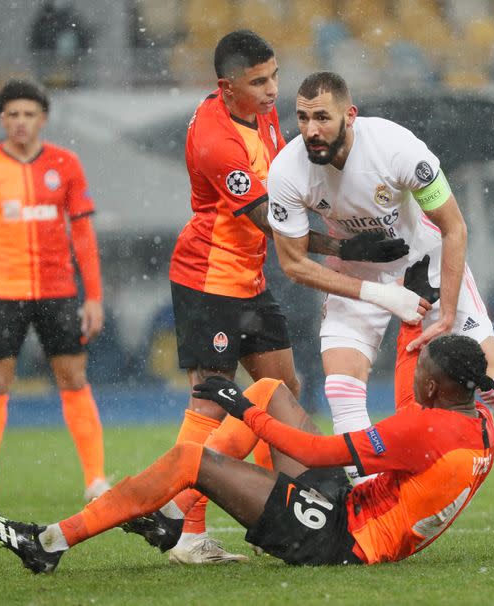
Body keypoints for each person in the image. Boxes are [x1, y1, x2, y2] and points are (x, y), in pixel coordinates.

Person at [265, 71, 494, 554]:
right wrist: (376, 290)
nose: (310, 129)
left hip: (422, 262)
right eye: (303, 117)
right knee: (342, 387)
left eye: (322, 116)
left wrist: (447, 312)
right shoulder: (286, 170)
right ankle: (362, 506)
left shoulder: (397, 149)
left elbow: (453, 227)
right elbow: (293, 262)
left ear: (350, 116)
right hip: (354, 271)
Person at [0, 310, 494, 572]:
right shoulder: (473, 419)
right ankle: (178, 523)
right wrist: (412, 320)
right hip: (353, 507)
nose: (414, 383)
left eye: (422, 376)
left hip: (341, 540)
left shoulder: (427, 428)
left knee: (194, 455)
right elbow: (414, 395)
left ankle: (50, 544)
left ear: (436, 388)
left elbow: (316, 453)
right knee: (274, 388)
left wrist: (241, 408)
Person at [162, 30, 419, 563]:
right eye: (260, 82)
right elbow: (277, 224)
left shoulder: (264, 112)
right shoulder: (216, 141)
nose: (273, 89)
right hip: (207, 279)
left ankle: (279, 515)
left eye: (275, 75)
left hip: (250, 279)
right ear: (226, 87)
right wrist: (350, 241)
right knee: (209, 401)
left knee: (283, 388)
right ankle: (186, 529)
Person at [0, 79, 109, 510]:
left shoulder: (66, 164)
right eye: (12, 114)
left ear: (43, 118)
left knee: (73, 378)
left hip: (58, 291)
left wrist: (93, 296)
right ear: (2, 119)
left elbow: (83, 234)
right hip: (2, 292)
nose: (20, 122)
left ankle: (95, 479)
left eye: (28, 114)